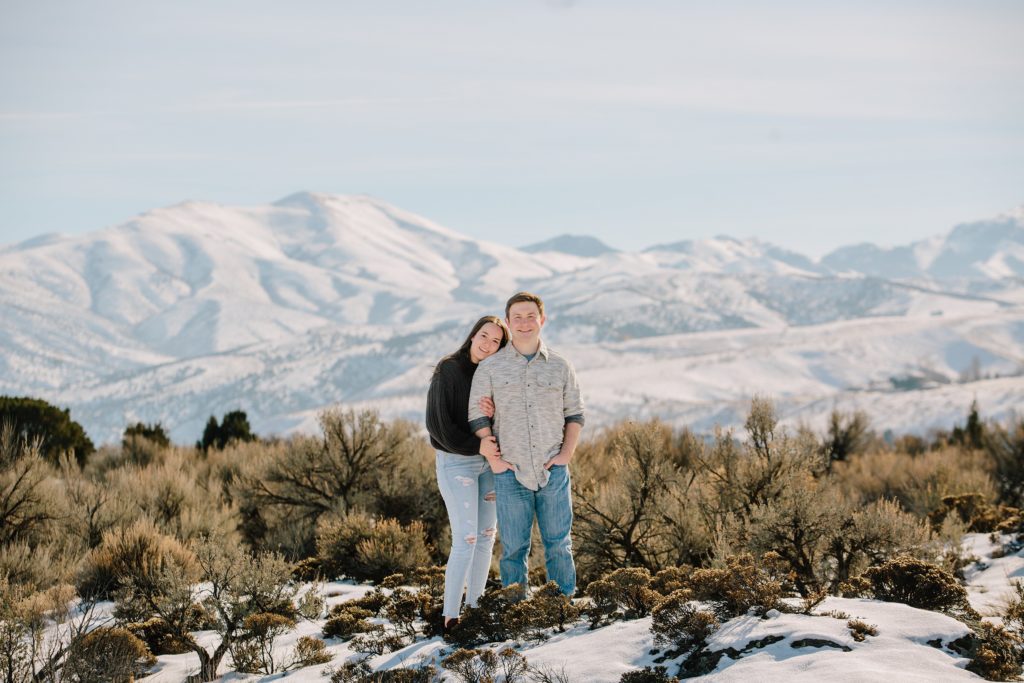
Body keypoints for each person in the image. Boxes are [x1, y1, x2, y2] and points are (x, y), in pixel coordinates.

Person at [467, 291, 584, 597]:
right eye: (516, 317)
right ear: (507, 322)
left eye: (530, 316)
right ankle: (516, 611)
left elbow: (575, 414)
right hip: (510, 471)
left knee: (559, 544)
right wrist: (495, 461)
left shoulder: (560, 366)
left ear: (542, 320)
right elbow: (477, 416)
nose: (524, 323)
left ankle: (563, 606)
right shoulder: (491, 367)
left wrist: (565, 455)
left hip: (553, 471)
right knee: (513, 549)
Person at [426, 315, 509, 629]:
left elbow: (502, 423)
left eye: (495, 341)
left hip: (488, 465)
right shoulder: (449, 370)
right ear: (473, 335)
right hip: (457, 463)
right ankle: (451, 616)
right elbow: (439, 427)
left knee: (487, 536)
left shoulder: (493, 376)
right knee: (467, 538)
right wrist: (478, 447)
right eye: (483, 336)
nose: (487, 344)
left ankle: (476, 608)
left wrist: (495, 411)